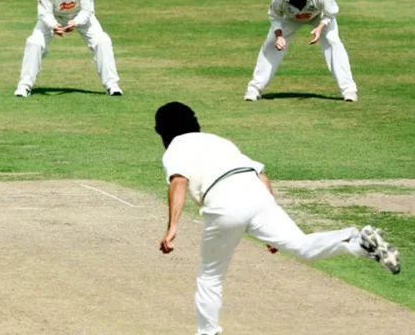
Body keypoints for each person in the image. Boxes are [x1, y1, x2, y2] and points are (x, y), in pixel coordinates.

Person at [155, 101, 400, 335]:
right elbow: (263, 178)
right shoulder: (221, 142)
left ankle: (208, 332)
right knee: (303, 246)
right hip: (257, 194)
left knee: (211, 276)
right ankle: (359, 241)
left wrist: (172, 228)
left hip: (223, 203)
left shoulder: (176, 147)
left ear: (164, 133)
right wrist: (269, 227)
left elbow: (179, 181)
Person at [14, 0, 122, 97]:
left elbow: (88, 10)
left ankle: (112, 85)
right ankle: (24, 86)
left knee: (103, 40)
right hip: (54, 16)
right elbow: (44, 12)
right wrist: (53, 25)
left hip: (79, 15)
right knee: (34, 42)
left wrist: (75, 22)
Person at [244, 0, 358, 102]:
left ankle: (349, 90)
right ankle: (254, 89)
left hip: (319, 16)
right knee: (271, 43)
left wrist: (320, 28)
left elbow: (331, 12)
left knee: (333, 42)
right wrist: (279, 37)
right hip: (291, 18)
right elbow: (275, 17)